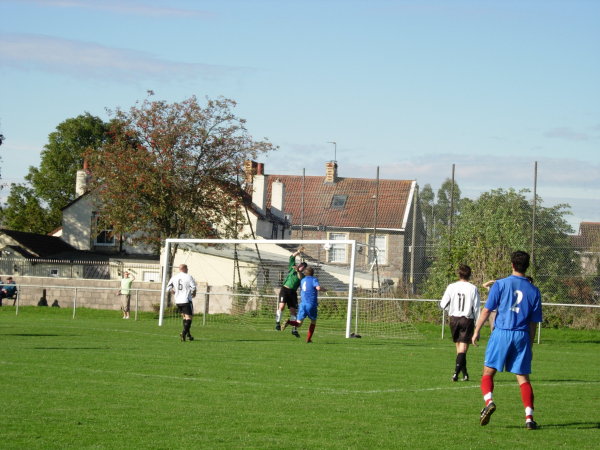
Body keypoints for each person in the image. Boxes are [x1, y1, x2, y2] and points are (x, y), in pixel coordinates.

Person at [472, 251, 542, 430]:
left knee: (488, 372)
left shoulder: (500, 284)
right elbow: (533, 322)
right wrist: (530, 344)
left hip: (502, 332)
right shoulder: (534, 291)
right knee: (523, 378)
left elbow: (487, 311)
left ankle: (489, 402)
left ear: (512, 264)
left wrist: (476, 330)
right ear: (527, 266)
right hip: (522, 335)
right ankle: (529, 418)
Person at [440, 264, 480, 382]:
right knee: (463, 347)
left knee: (459, 347)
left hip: (454, 319)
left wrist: (450, 311)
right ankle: (456, 373)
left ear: (459, 274)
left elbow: (443, 304)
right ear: (470, 274)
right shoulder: (473, 288)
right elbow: (477, 308)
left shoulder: (451, 286)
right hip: (467, 319)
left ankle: (465, 374)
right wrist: (478, 324)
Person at [282, 266, 326, 343]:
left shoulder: (302, 280)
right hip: (311, 304)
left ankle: (288, 322)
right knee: (313, 321)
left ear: (305, 273)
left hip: (302, 304)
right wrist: (324, 289)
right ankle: (308, 339)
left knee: (298, 324)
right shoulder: (314, 279)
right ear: (313, 273)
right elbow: (318, 288)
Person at [275, 247, 307, 337]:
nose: (301, 267)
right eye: (301, 266)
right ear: (299, 265)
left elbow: (300, 277)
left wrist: (298, 271)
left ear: (304, 269)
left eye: (303, 267)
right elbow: (291, 257)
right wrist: (298, 252)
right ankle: (277, 323)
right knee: (281, 307)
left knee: (293, 311)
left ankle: (294, 329)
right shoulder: (292, 268)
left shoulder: (302, 276)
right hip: (285, 290)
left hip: (293, 293)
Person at [166, 264, 197, 342]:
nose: (188, 270)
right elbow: (193, 287)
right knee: (189, 318)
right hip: (186, 300)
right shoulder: (188, 277)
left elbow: (168, 287)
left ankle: (188, 335)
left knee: (184, 317)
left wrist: (172, 291)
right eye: (187, 268)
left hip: (178, 301)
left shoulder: (174, 277)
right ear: (185, 268)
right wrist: (194, 293)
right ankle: (184, 333)